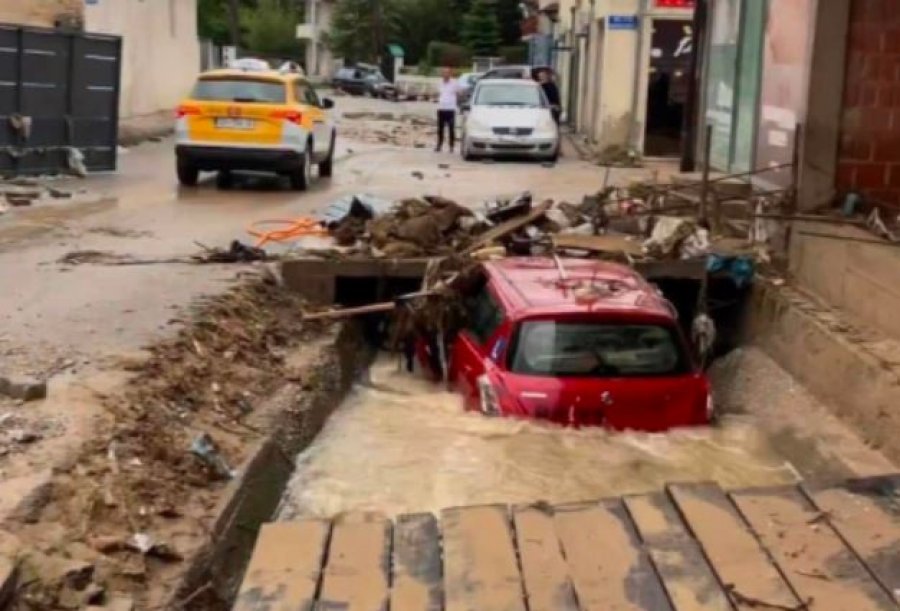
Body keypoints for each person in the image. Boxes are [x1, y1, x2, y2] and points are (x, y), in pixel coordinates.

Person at [436, 67, 460, 152]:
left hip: (450, 109)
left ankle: (451, 146)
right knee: (440, 129)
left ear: (450, 74)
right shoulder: (440, 83)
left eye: (447, 73)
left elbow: (458, 94)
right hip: (441, 108)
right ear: (442, 74)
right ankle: (439, 145)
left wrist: (457, 104)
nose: (446, 75)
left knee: (451, 129)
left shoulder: (454, 83)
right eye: (444, 73)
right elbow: (439, 94)